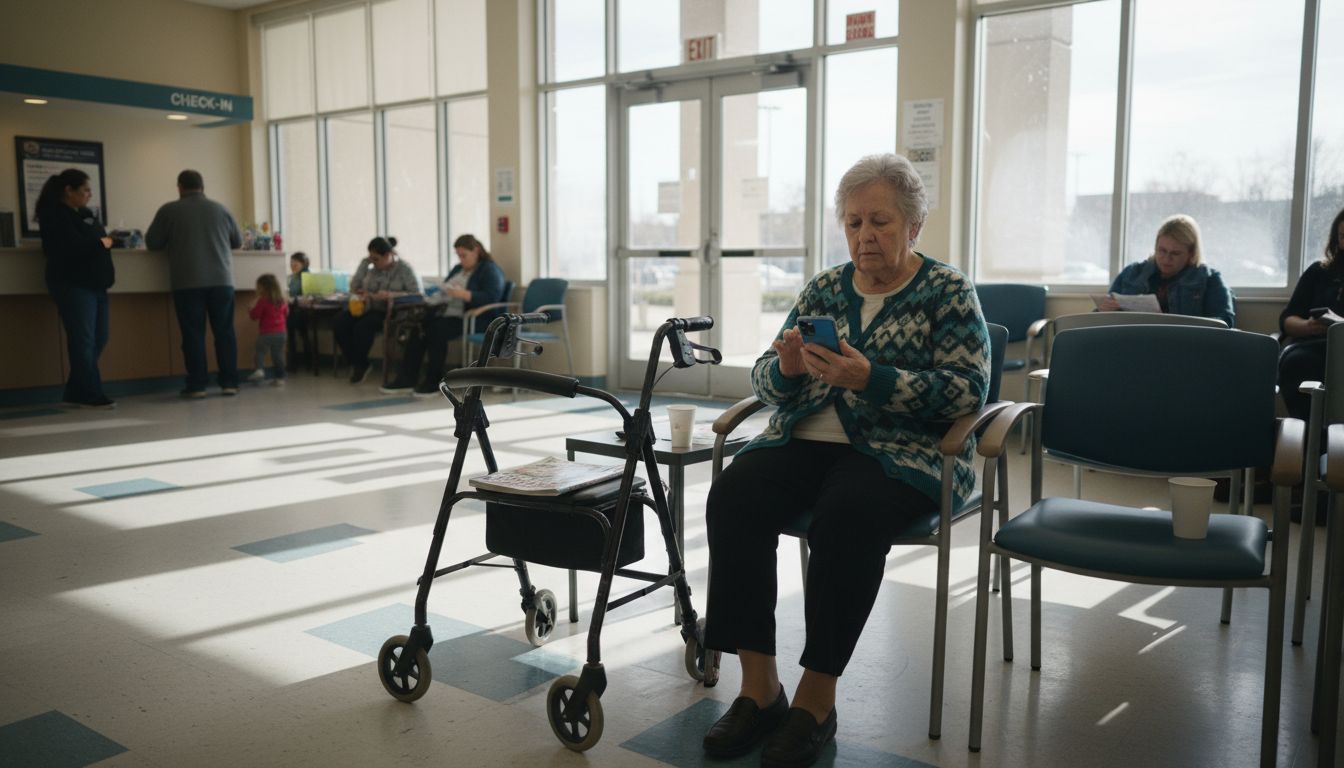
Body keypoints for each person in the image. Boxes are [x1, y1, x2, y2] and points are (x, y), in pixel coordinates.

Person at [700, 153, 990, 768]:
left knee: (848, 515)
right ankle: (760, 689)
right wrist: (785, 370)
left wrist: (872, 379)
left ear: (914, 225)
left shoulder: (947, 289)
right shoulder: (824, 288)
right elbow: (765, 377)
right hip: (803, 440)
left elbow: (969, 390)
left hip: (902, 452)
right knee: (734, 496)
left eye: (880, 222)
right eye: (854, 223)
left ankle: (816, 701)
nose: (865, 236)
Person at [145, 169, 244, 398]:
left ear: (179, 187)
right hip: (222, 281)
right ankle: (230, 382)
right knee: (225, 333)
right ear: (203, 186)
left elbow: (153, 243)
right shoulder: (221, 209)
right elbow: (237, 242)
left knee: (193, 335)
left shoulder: (169, 210)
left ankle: (197, 385)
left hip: (187, 282)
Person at [380, 234, 507, 396]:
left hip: (475, 318)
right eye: (458, 255)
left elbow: (492, 297)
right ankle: (407, 378)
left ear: (476, 251)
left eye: (464, 255)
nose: (461, 260)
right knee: (419, 328)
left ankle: (434, 380)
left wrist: (464, 294)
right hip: (449, 313)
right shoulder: (458, 269)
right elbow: (445, 287)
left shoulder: (489, 270)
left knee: (436, 331)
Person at [36, 169, 116, 409]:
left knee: (99, 337)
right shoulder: (55, 216)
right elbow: (75, 247)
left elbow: (98, 241)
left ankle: (74, 392)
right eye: (85, 190)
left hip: (96, 284)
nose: (89, 195)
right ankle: (91, 394)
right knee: (83, 340)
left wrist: (105, 241)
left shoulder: (85, 214)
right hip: (73, 285)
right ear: (68, 191)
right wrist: (103, 242)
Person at [1097, 214, 1235, 326]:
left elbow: (1225, 323)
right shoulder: (1131, 274)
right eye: (1162, 250)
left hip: (1183, 345)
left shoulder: (1210, 280)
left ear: (1191, 254)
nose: (1166, 258)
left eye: (1175, 253)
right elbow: (1099, 322)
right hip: (1132, 342)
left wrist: (1179, 324)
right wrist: (1103, 311)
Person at [1279, 206, 1344, 422]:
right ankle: (1310, 433)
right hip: (1315, 346)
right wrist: (1308, 326)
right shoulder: (1319, 271)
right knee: (1296, 361)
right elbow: (1288, 319)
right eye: (1343, 237)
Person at [333, 236, 424, 384]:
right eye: (371, 259)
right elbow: (354, 287)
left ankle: (359, 365)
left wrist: (391, 295)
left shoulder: (405, 269)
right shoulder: (372, 269)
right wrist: (364, 264)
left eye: (376, 259)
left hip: (392, 312)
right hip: (368, 307)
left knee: (363, 327)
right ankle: (359, 362)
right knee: (340, 321)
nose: (373, 262)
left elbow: (418, 295)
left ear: (388, 255)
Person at [246, 273, 289, 386]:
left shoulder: (263, 301)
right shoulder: (282, 300)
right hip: (281, 333)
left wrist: (250, 309)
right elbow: (286, 313)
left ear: (263, 288)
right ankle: (280, 378)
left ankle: (259, 370)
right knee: (278, 355)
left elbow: (255, 316)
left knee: (260, 352)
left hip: (267, 333)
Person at [286, 252, 312, 371]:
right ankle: (294, 362)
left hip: (303, 310)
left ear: (303, 264)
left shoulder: (305, 276)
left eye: (295, 264)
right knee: (294, 332)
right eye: (291, 263)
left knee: (293, 329)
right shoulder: (292, 277)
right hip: (294, 309)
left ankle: (295, 363)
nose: (292, 266)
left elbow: (302, 294)